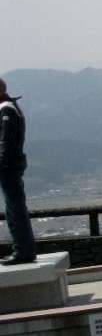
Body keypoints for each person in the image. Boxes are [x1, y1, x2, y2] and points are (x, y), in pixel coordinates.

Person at [0, 78, 35, 266]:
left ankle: (22, 250)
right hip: (12, 165)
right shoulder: (12, 106)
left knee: (15, 209)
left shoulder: (6, 110)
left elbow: (6, 142)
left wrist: (2, 164)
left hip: (8, 167)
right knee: (14, 208)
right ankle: (22, 249)